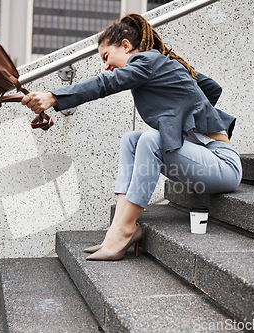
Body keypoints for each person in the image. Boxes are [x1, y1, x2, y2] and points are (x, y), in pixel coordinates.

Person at [21, 13, 242, 261]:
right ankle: (118, 227)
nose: (105, 66)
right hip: (203, 161)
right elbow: (212, 87)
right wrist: (188, 115)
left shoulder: (148, 61)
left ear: (126, 45)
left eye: (106, 57)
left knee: (151, 140)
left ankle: (126, 229)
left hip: (223, 164)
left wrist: (53, 96)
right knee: (132, 139)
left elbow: (106, 84)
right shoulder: (161, 65)